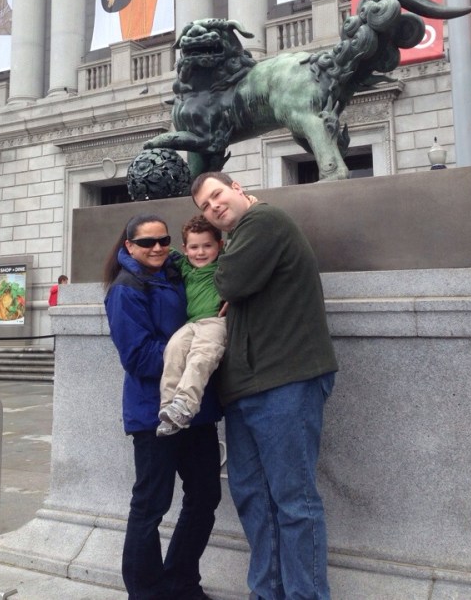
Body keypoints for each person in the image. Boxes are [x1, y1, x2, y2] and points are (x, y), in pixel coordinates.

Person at [191, 172, 338, 600]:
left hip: (286, 380)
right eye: (204, 205)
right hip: (245, 389)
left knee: (293, 501)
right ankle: (266, 593)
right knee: (254, 499)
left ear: (237, 189)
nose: (213, 206)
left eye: (217, 194)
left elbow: (229, 283)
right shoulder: (237, 239)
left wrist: (221, 275)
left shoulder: (263, 222)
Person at [103, 213, 221, 600]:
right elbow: (137, 356)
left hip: (196, 409)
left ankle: (180, 582)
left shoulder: (177, 269)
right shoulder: (125, 289)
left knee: (205, 495)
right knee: (151, 504)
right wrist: (192, 356)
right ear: (129, 247)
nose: (156, 248)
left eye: (162, 240)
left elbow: (212, 257)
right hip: (152, 412)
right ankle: (146, 592)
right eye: (147, 242)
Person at [157, 216, 225, 437]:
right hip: (192, 323)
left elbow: (243, 246)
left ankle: (185, 405)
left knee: (201, 356)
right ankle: (168, 407)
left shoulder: (224, 264)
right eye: (194, 247)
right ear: (186, 249)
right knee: (173, 350)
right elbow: (165, 251)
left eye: (208, 246)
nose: (201, 252)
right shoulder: (185, 266)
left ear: (220, 246)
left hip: (215, 321)